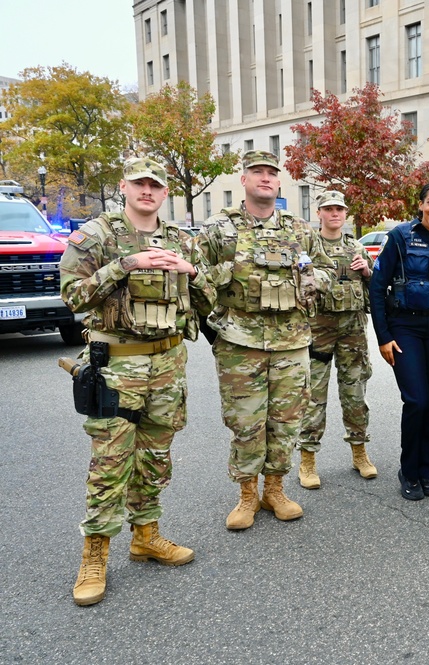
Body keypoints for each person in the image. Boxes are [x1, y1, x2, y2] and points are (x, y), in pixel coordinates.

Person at [60, 157, 215, 606]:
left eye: (156, 185)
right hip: (117, 367)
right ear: (124, 186)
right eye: (140, 183)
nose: (148, 190)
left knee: (156, 458)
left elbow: (208, 299)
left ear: (165, 193)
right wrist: (126, 263)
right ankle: (94, 555)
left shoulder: (181, 240)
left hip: (167, 363)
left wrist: (192, 273)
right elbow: (71, 296)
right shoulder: (97, 236)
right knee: (109, 466)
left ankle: (146, 535)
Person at [197, 150, 332, 530]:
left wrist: (307, 281)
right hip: (240, 343)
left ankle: (275, 488)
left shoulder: (300, 229)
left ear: (279, 181)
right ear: (243, 180)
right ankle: (246, 494)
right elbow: (195, 278)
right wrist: (229, 275)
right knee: (246, 422)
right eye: (257, 172)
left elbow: (325, 271)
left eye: (272, 173)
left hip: (291, 341)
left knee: (286, 420)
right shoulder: (219, 228)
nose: (265, 178)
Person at [370, 182, 429, 501]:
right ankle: (408, 471)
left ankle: (426, 471)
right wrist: (384, 336)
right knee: (417, 400)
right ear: (421, 205)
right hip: (405, 327)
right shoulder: (398, 237)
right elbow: (376, 287)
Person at [296, 190, 376, 490]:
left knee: (355, 394)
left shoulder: (355, 246)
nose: (334, 214)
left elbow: (373, 287)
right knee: (313, 396)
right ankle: (307, 459)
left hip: (352, 330)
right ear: (319, 213)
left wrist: (366, 271)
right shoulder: (308, 245)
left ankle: (359, 452)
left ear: (345, 214)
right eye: (328, 209)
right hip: (318, 330)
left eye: (339, 209)